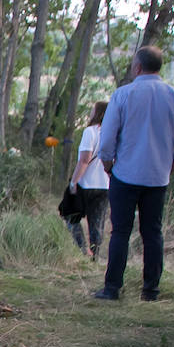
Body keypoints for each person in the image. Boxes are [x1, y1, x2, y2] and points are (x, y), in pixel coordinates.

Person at [93, 46, 174, 301]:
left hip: (125, 175)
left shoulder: (123, 95)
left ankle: (112, 287)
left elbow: (106, 139)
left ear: (137, 67)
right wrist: (172, 166)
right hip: (157, 178)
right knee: (153, 233)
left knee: (120, 232)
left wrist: (108, 166)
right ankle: (150, 290)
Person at [67, 101, 110, 260]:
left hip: (86, 183)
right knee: (97, 221)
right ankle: (95, 255)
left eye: (92, 110)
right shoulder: (112, 133)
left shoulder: (90, 132)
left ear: (98, 113)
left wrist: (74, 182)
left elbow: (84, 160)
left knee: (71, 214)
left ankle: (81, 248)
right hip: (105, 184)